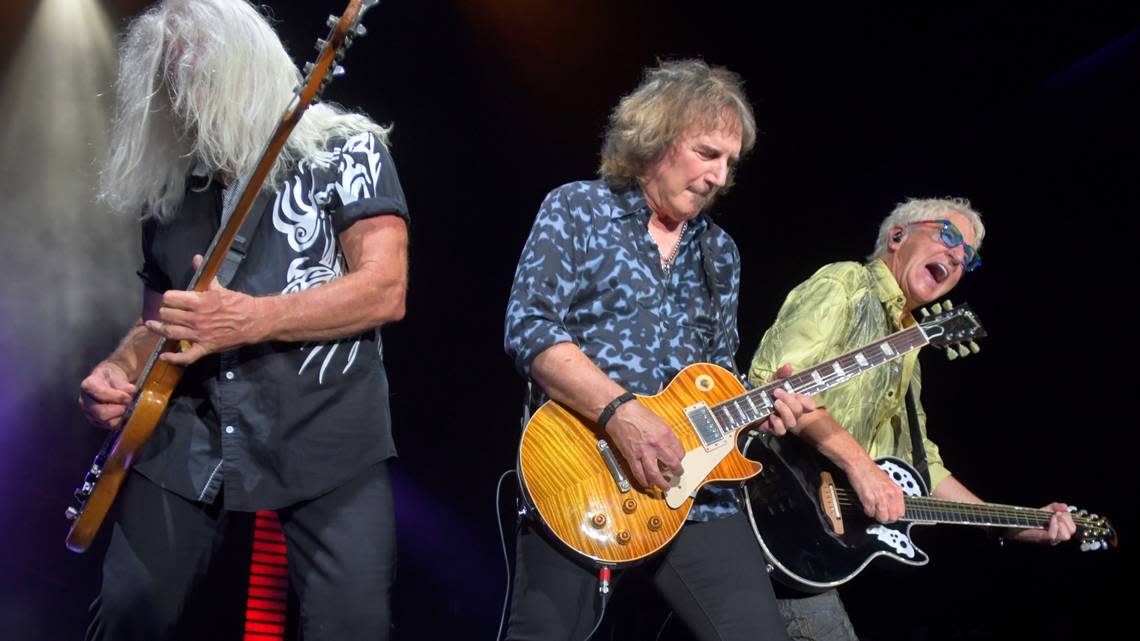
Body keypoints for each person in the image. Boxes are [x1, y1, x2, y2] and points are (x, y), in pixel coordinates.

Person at [76, 1, 408, 639]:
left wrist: (252, 319)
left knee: (352, 625)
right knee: (127, 616)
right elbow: (159, 321)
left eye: (200, 78)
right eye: (172, 83)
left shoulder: (346, 147)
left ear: (247, 68)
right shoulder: (174, 184)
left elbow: (384, 290)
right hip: (188, 436)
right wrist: (117, 370)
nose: (186, 99)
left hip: (325, 428)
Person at [503, 59, 813, 641]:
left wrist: (762, 411)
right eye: (707, 153)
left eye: (730, 162)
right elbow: (531, 328)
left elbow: (719, 372)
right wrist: (621, 413)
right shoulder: (577, 209)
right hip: (579, 474)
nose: (720, 176)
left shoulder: (721, 254)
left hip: (695, 492)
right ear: (655, 139)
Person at [747, 198, 1076, 641]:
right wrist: (861, 468)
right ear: (899, 236)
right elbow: (779, 386)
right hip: (759, 498)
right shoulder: (848, 282)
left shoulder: (907, 348)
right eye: (949, 236)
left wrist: (1014, 523)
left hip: (809, 543)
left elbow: (923, 466)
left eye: (969, 258)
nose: (959, 256)